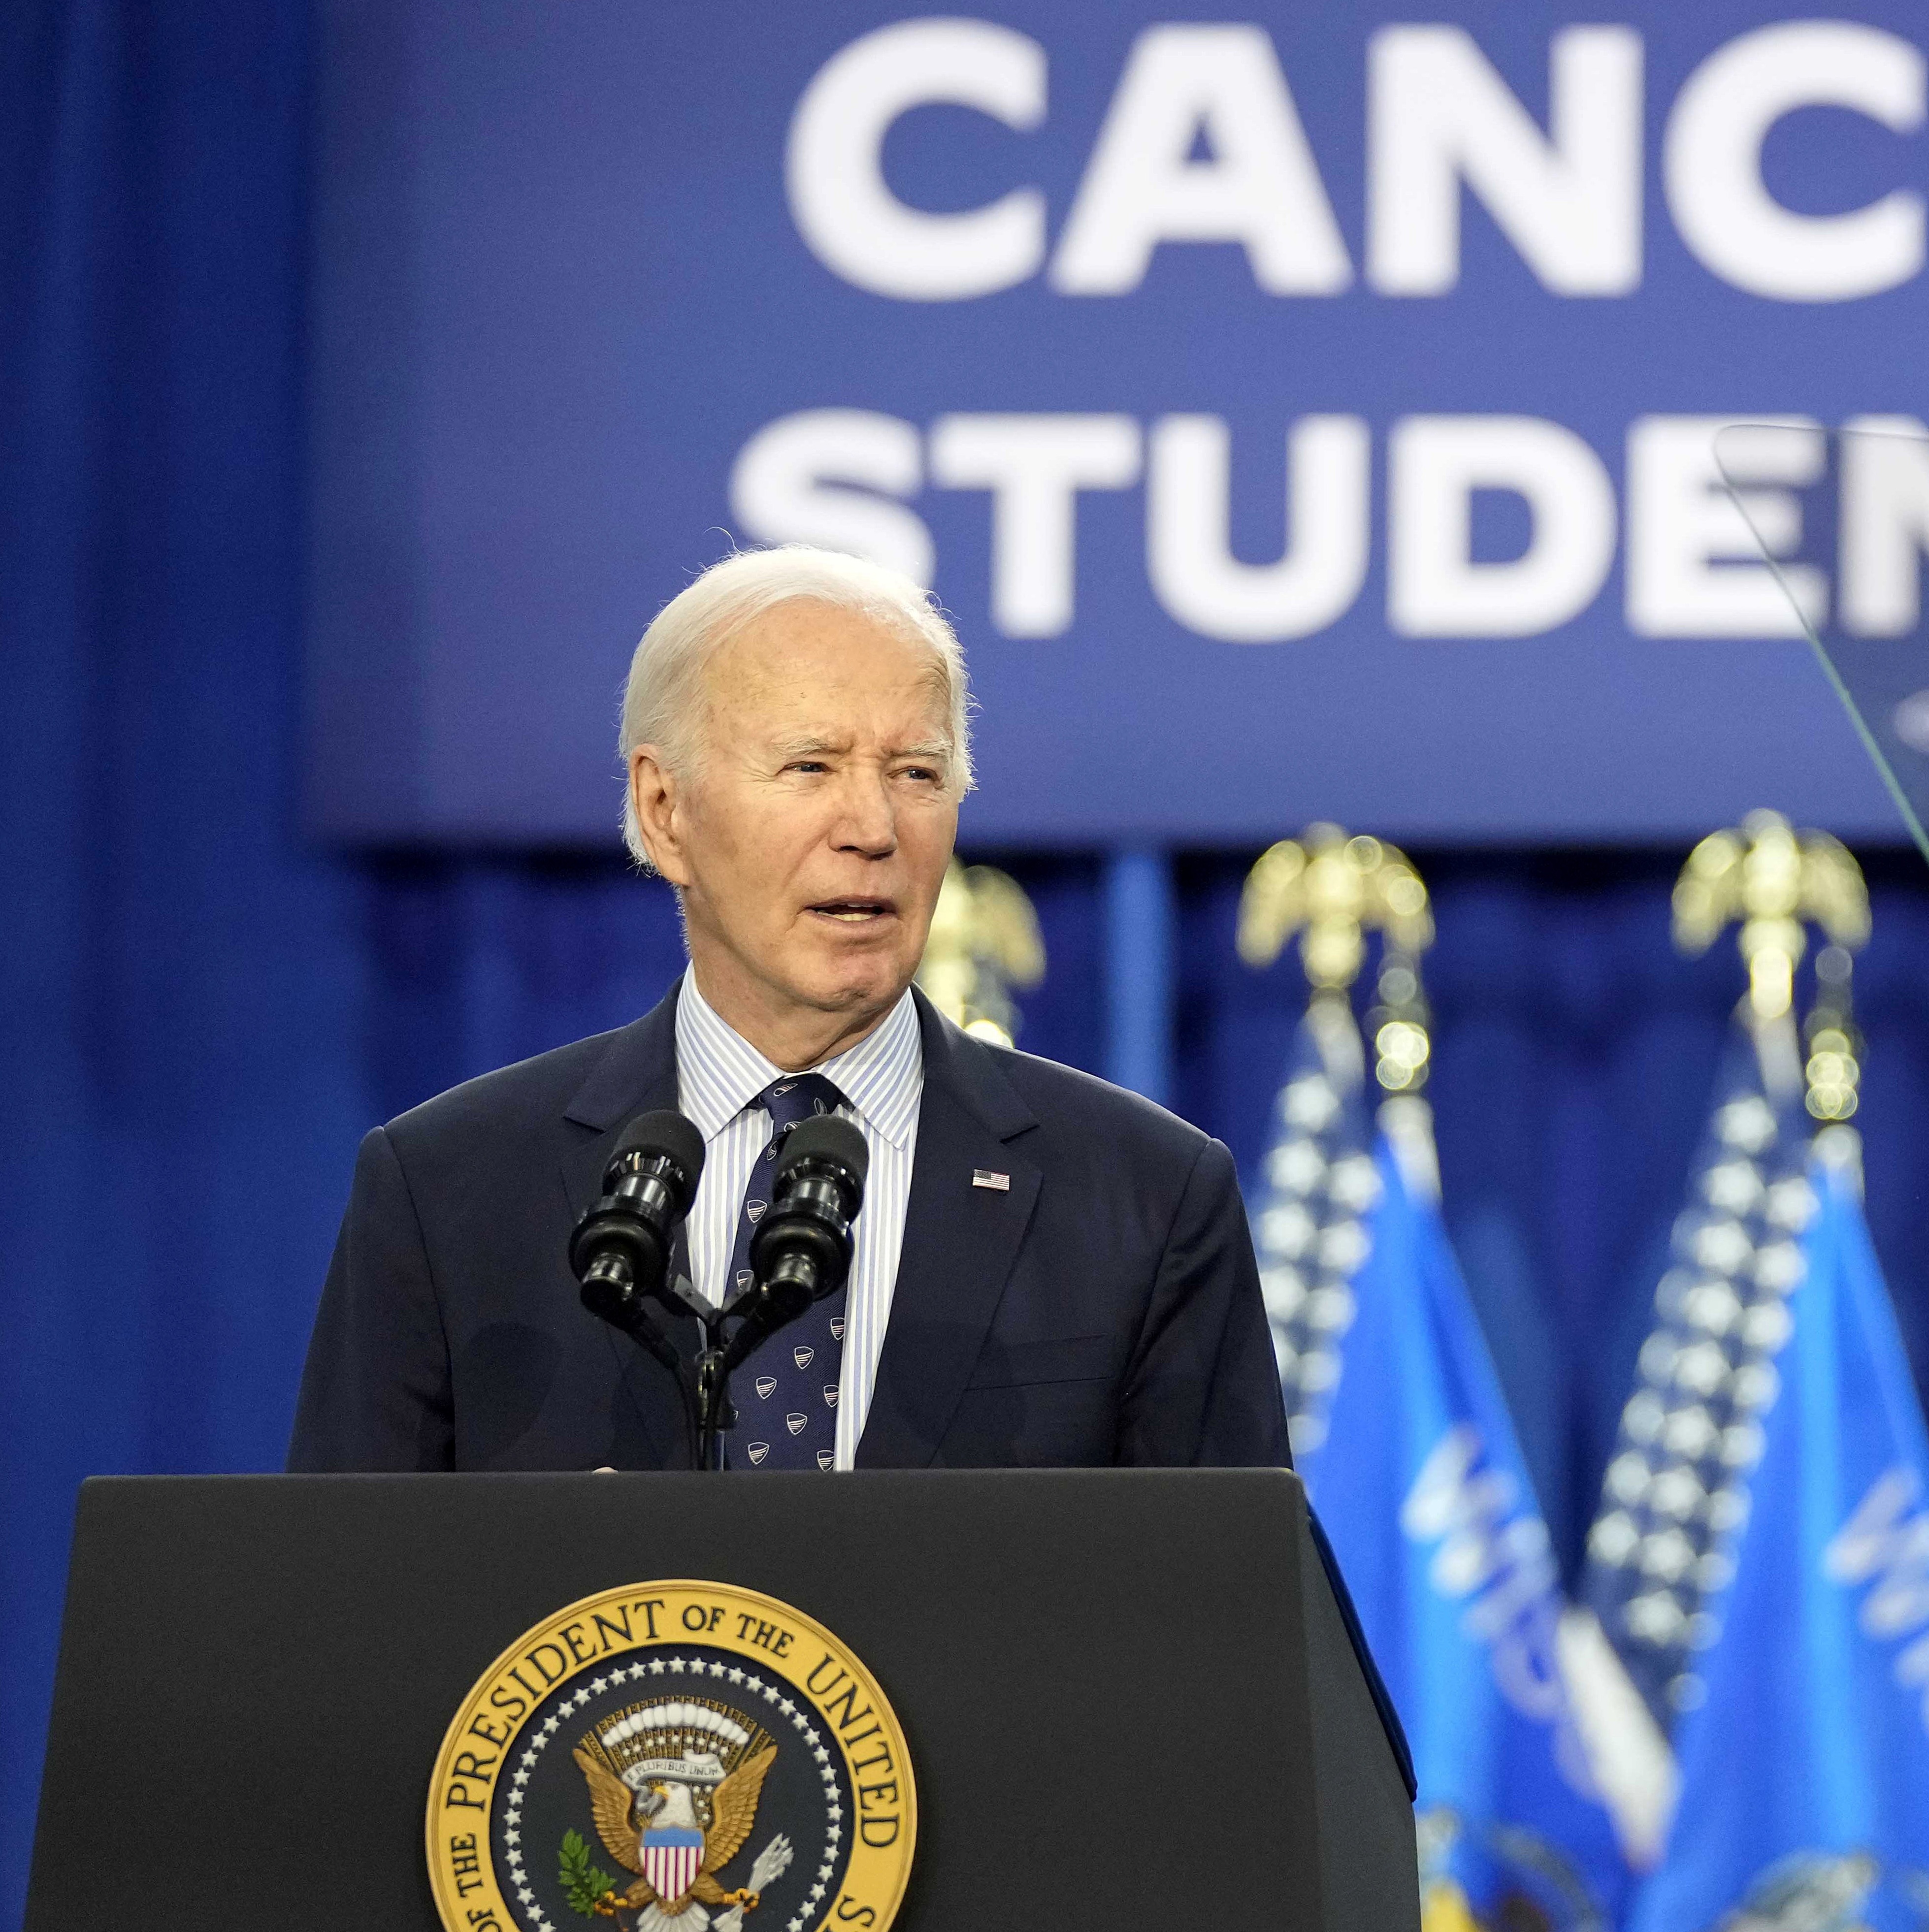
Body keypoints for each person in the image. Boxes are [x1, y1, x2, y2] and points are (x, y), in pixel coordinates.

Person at [289, 545, 1288, 1473]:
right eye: (810, 766)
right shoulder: (448, 1192)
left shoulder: (1146, 1200)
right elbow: (343, 1619)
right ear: (663, 811)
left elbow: (1225, 1634)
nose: (873, 828)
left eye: (918, 774)